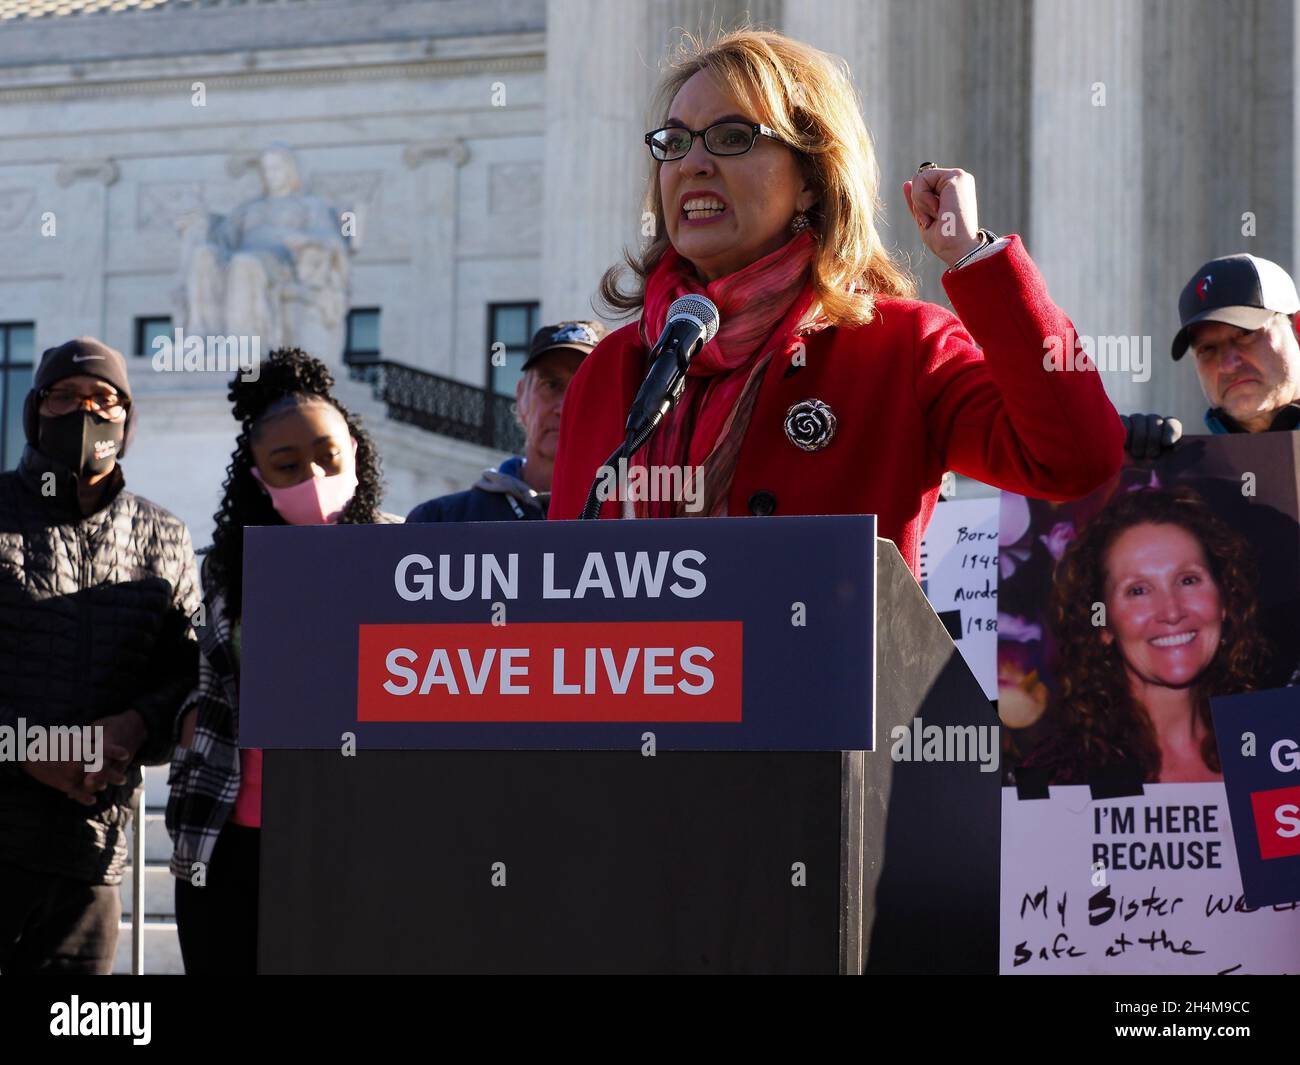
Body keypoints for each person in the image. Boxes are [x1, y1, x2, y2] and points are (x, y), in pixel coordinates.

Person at [548, 29, 1123, 571]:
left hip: (824, 677)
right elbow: (559, 584)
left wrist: (975, 260)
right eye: (675, 142)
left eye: (731, 138)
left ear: (811, 179)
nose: (694, 163)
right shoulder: (609, 370)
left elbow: (1073, 459)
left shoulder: (903, 349)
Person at [165, 348, 400, 974]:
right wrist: (191, 711)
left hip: (358, 841)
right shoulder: (224, 571)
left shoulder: (412, 562)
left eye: (328, 455)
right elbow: (201, 675)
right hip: (228, 836)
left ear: (356, 448)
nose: (314, 478)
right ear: (257, 476)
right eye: (287, 465)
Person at [0, 337, 199, 974]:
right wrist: (29, 749)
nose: (85, 413)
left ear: (126, 420)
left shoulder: (165, 536)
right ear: (36, 412)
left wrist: (136, 727)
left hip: (91, 862)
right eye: (65, 398)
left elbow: (191, 672)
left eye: (103, 400)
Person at [1020, 487, 1267, 786]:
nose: (1172, 611)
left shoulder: (1273, 757)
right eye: (1138, 590)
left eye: (1188, 580)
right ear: (1104, 624)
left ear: (1224, 601)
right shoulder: (1059, 778)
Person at [407, 320, 606, 523]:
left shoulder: (631, 518)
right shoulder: (440, 522)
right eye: (551, 385)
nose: (563, 408)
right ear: (521, 397)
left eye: (585, 389)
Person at [1122, 253, 1300, 457]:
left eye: (1246, 333)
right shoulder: (1188, 478)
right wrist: (1126, 477)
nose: (1228, 364)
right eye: (1207, 349)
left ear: (1298, 330)